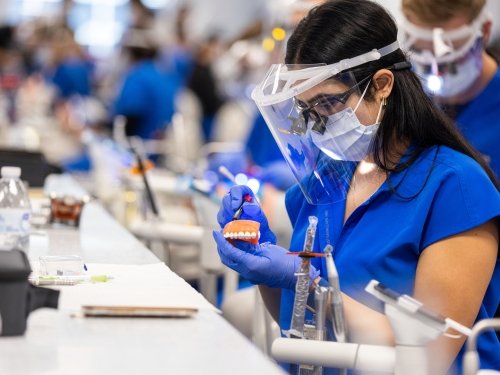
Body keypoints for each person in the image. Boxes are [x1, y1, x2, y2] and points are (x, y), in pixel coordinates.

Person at [212, 1, 499, 374]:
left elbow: (428, 357)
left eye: (328, 102)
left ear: (381, 85)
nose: (318, 123)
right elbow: (299, 325)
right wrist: (265, 266)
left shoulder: (457, 188)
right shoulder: (330, 178)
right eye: (307, 110)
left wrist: (310, 284)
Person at [399, 0, 500, 178]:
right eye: (420, 50)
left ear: (484, 31)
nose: (435, 71)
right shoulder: (400, 92)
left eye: (448, 55)